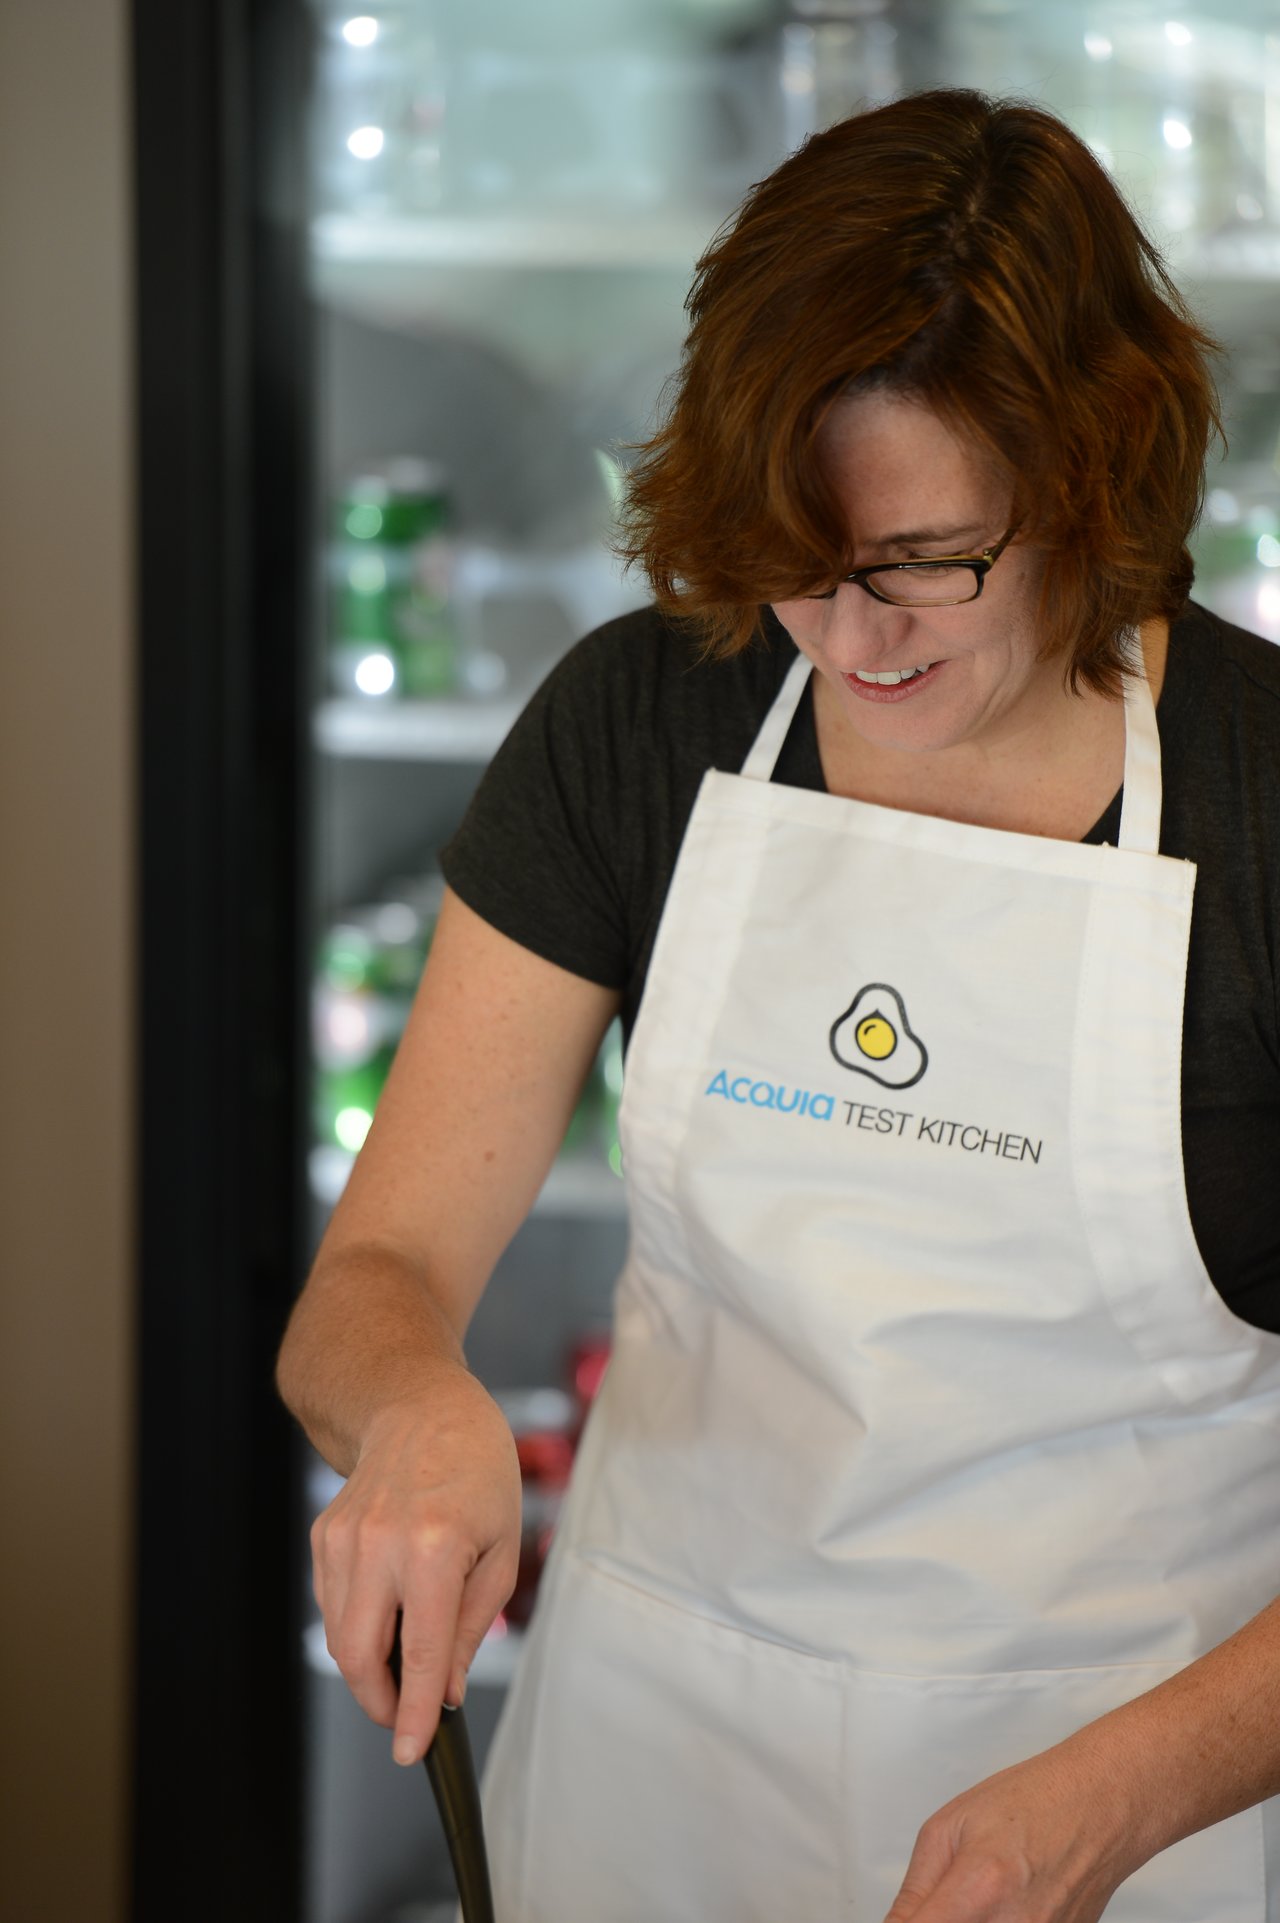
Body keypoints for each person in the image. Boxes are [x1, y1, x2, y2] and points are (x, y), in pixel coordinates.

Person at [277, 88, 1280, 1922]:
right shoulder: (644, 719)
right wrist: (415, 1406)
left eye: (924, 563)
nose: (854, 638)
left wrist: (1123, 1797)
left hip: (1134, 1806)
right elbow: (373, 1279)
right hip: (654, 1772)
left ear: (1093, 479)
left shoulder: (1263, 799)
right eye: (797, 563)